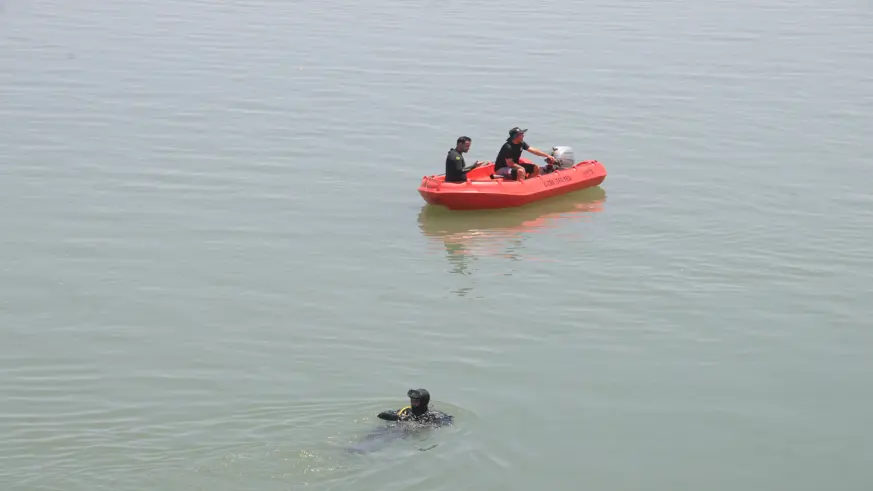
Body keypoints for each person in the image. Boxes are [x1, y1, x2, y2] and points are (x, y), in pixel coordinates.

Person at [376, 389, 453, 426]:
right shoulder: (405, 411)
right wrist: (399, 418)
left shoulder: (432, 416)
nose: (412, 403)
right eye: (412, 400)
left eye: (416, 401)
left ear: (423, 402)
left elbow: (449, 420)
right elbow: (382, 415)